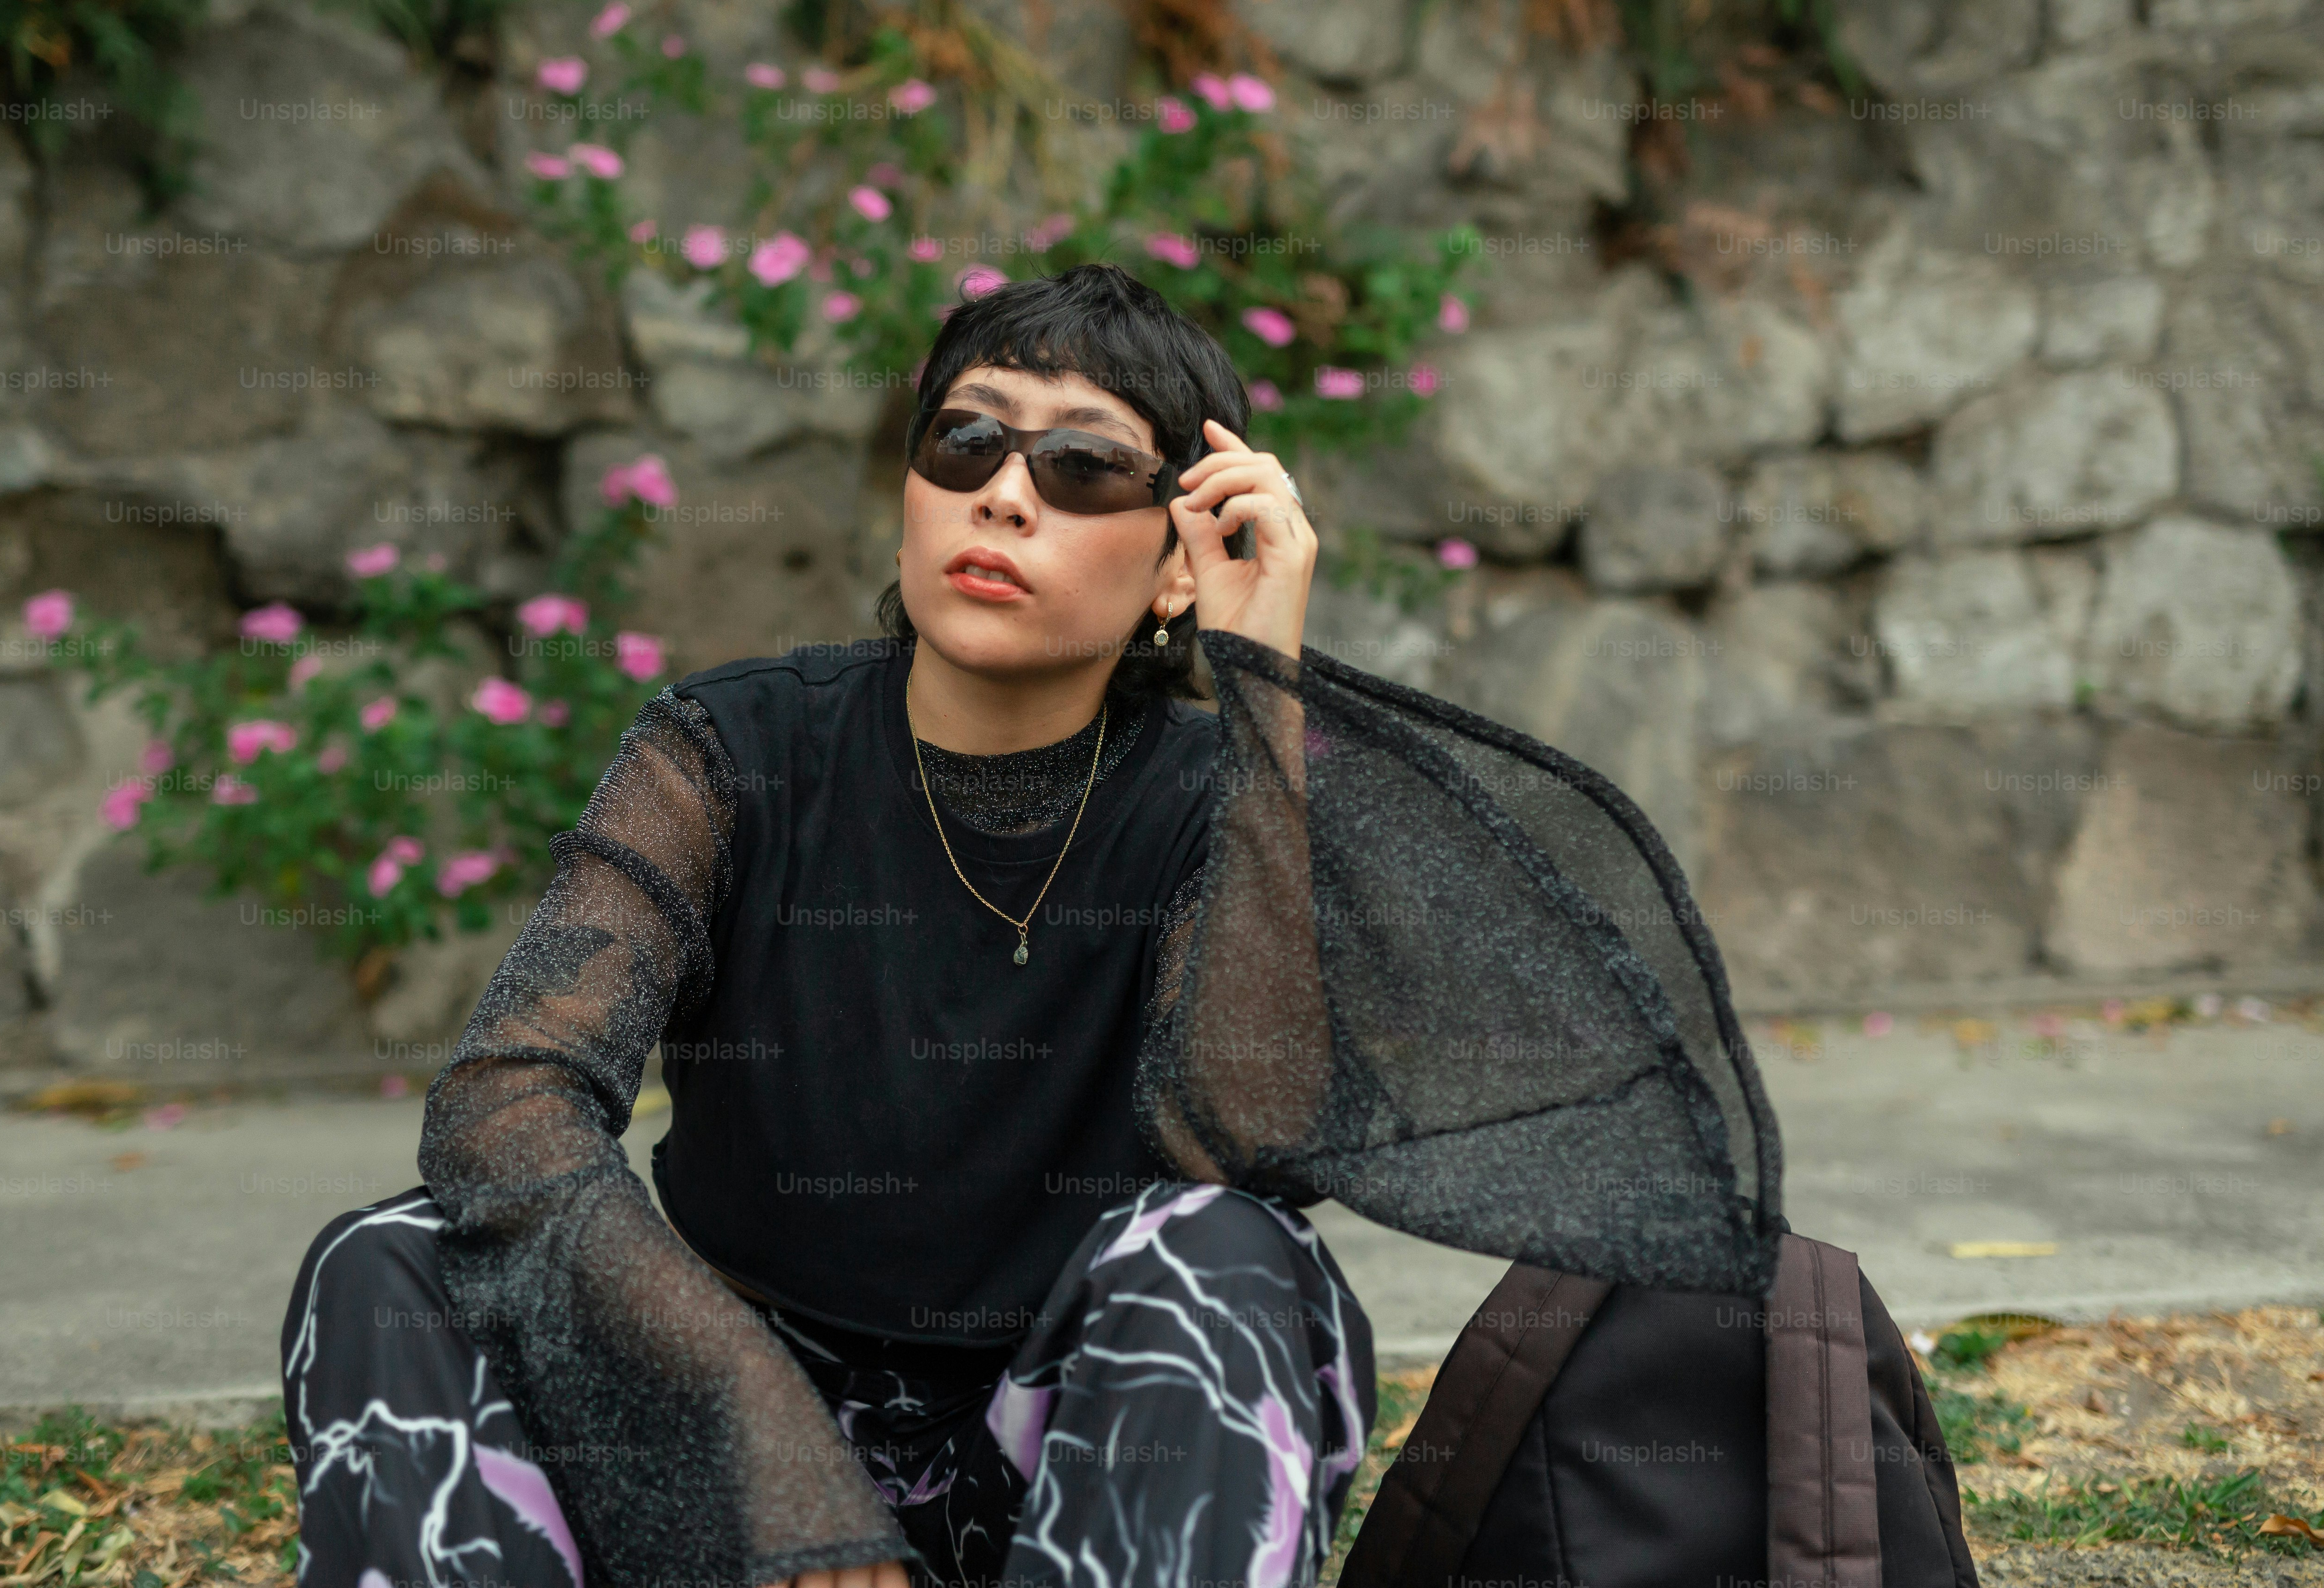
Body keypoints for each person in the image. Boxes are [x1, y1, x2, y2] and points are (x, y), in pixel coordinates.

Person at [280, 264, 1783, 1588]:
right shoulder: (730, 752)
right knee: (390, 1261)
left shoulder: (1219, 796)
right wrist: (762, 1432)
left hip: (1063, 1475)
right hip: (731, 1481)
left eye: (1083, 467)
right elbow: (506, 1101)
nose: (1005, 495)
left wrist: (1263, 691)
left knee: (1228, 1254)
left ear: (1180, 562)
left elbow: (1245, 1142)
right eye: (968, 442)